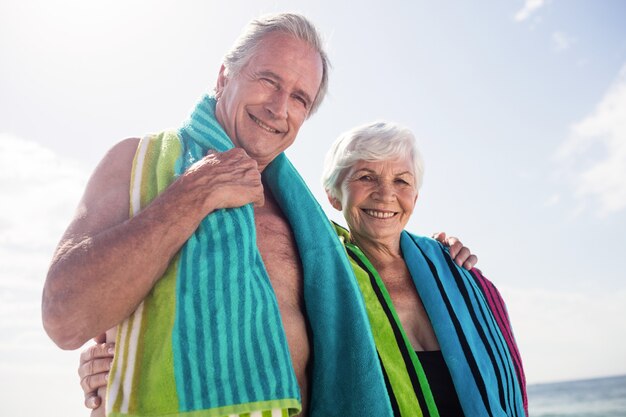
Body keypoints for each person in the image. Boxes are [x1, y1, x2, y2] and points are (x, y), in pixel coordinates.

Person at [45, 13, 476, 417]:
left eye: (300, 98)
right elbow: (65, 318)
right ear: (223, 75)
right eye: (268, 80)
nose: (278, 107)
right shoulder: (138, 163)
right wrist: (193, 194)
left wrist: (442, 258)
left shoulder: (312, 228)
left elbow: (385, 317)